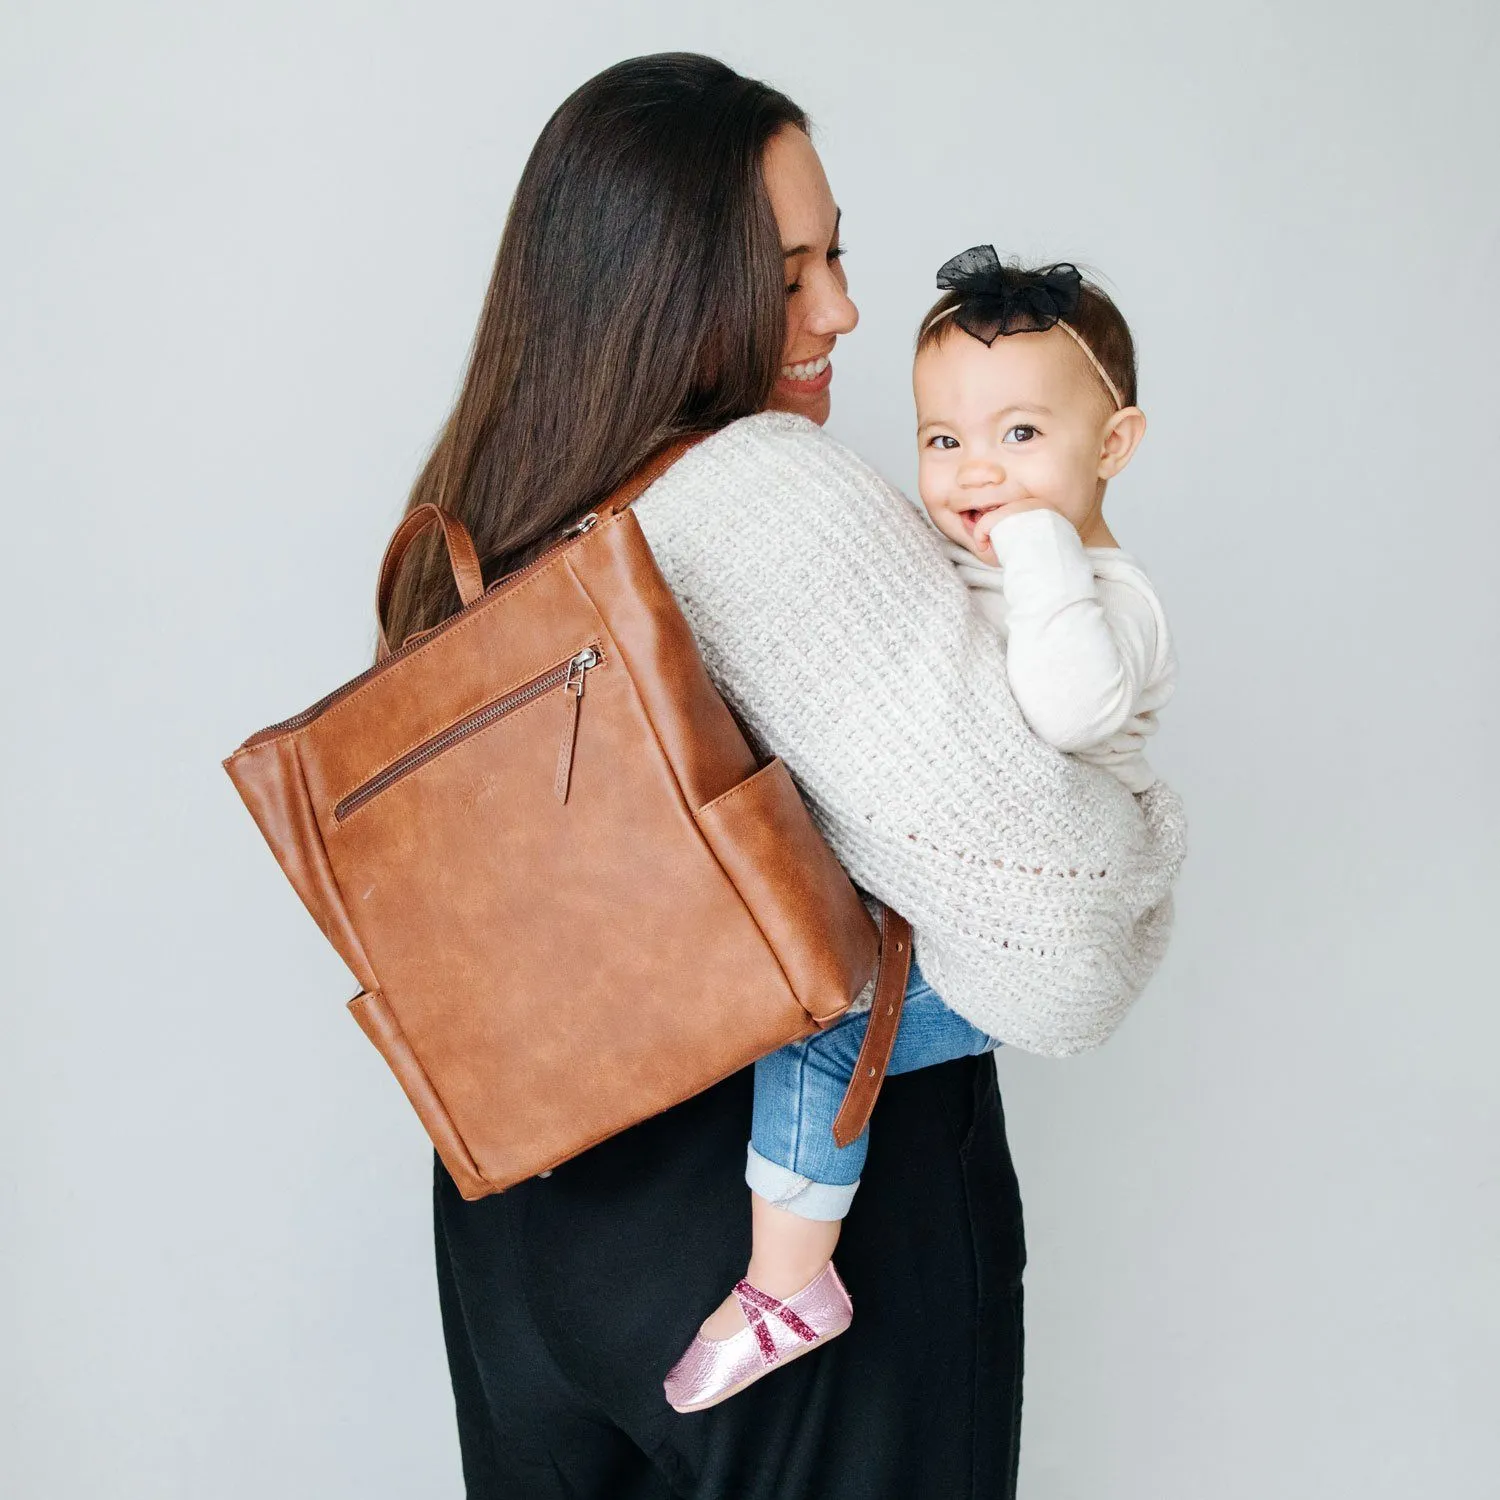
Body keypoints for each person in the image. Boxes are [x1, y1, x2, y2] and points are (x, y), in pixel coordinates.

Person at [387, 51, 1185, 1499]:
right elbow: (1062, 953)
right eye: (789, 272)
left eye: (839, 257)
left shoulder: (488, 511)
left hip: (519, 1232)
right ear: (664, 289)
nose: (842, 313)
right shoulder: (764, 493)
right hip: (782, 1246)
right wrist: (1151, 832)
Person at [664, 247, 1180, 1412]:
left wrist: (1044, 549)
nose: (974, 471)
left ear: (1115, 447)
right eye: (942, 441)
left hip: (1018, 931)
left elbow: (1065, 707)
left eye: (1019, 438)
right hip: (927, 899)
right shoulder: (969, 557)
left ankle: (789, 1285)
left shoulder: (1114, 599)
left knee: (826, 1020)